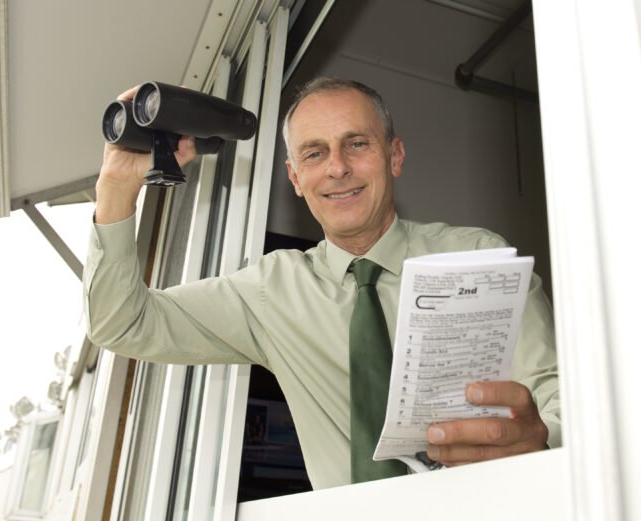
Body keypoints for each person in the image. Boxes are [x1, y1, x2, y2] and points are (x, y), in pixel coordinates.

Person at [85, 77, 559, 490]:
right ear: (295, 177)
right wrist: (117, 189)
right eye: (314, 153)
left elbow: (556, 399)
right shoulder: (270, 292)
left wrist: (542, 441)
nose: (337, 167)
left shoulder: (475, 257)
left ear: (394, 156)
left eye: (357, 144)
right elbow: (122, 323)